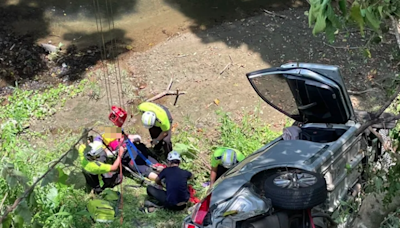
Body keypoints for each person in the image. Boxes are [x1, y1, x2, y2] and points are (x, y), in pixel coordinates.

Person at [94, 126, 162, 182]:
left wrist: (130, 141)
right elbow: (137, 137)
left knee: (145, 167)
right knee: (149, 164)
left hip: (132, 152)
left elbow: (108, 153)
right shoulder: (107, 136)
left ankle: (161, 180)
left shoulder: (108, 136)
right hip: (132, 152)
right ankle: (164, 176)